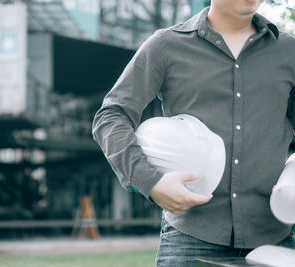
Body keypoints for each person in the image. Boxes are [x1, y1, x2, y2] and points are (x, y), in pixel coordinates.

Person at [92, 0, 295, 266]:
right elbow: (111, 116)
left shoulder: (289, 51)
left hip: (274, 239)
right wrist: (150, 182)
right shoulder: (165, 45)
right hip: (189, 238)